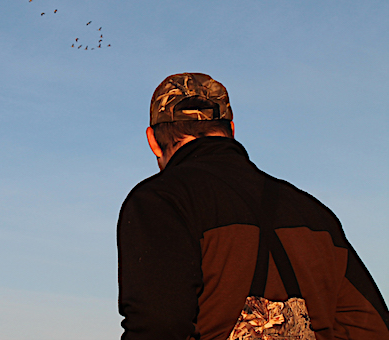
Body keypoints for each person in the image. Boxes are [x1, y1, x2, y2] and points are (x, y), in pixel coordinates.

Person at [117, 73, 389, 340]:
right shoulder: (314, 213)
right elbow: (372, 328)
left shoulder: (161, 201)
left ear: (152, 141)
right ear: (231, 131)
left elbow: (158, 325)